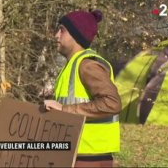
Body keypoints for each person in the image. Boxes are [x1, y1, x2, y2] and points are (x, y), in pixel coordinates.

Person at [44, 10, 122, 168]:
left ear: (75, 35)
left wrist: (64, 110)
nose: (56, 35)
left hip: (89, 158)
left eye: (62, 30)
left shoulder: (87, 65)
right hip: (75, 155)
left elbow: (112, 103)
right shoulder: (71, 66)